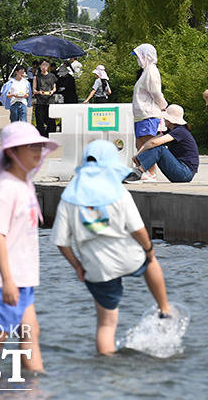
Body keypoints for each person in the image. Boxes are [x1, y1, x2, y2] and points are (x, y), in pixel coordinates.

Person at [52, 140, 172, 355]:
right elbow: (138, 230)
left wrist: (77, 266)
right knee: (151, 260)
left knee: (106, 325)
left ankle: (106, 370)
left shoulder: (69, 197)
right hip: (129, 257)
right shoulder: (119, 193)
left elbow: (61, 242)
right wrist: (148, 249)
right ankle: (164, 308)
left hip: (97, 267)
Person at [0, 121, 58, 373]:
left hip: (22, 276)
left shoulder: (23, 185)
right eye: (30, 146)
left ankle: (34, 383)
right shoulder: (4, 188)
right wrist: (7, 280)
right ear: (11, 152)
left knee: (31, 331)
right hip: (1, 278)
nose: (37, 151)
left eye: (40, 146)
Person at [125, 104, 199, 183]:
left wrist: (139, 155)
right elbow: (152, 141)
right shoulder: (172, 131)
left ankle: (138, 173)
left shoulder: (180, 131)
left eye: (165, 118)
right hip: (181, 171)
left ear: (170, 120)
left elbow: (154, 143)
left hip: (185, 173)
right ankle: (139, 172)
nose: (163, 120)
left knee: (160, 148)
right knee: (158, 147)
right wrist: (139, 154)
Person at [132, 43, 167, 181]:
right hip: (141, 115)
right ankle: (144, 169)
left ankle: (151, 172)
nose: (138, 59)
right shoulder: (145, 71)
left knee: (148, 142)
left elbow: (156, 92)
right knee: (139, 143)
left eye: (139, 56)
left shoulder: (152, 70)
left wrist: (163, 105)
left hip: (149, 113)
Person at [32, 59, 57, 137]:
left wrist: (52, 91)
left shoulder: (52, 76)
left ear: (48, 66)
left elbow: (54, 88)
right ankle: (41, 136)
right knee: (40, 120)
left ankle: (50, 135)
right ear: (39, 66)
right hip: (40, 101)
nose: (44, 67)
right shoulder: (37, 77)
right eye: (42, 65)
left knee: (50, 119)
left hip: (50, 100)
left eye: (46, 65)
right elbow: (34, 89)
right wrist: (38, 92)